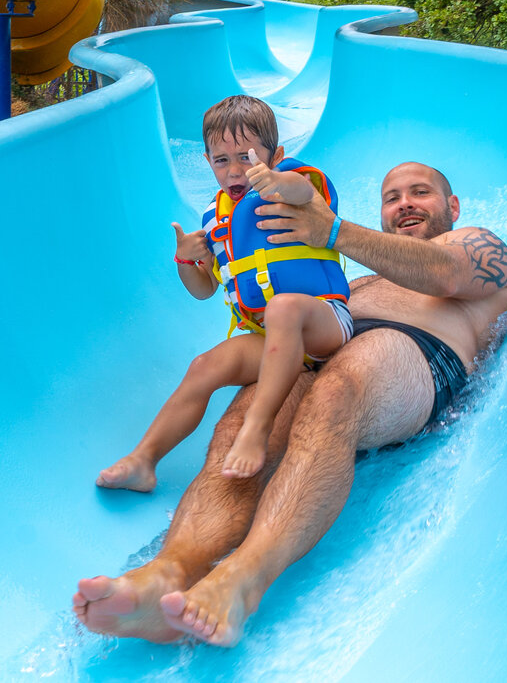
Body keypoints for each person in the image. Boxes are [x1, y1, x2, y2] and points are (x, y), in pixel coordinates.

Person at [74, 161, 507, 647]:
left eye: (420, 193)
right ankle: (169, 571)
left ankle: (241, 580)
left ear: (452, 206)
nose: (405, 203)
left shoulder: (479, 244)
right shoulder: (364, 281)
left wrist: (333, 230)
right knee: (247, 415)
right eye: (392, 197)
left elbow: (446, 275)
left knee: (337, 390)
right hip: (326, 349)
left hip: (415, 352)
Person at [97, 95, 353, 489]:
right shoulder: (215, 220)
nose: (235, 171)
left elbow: (303, 191)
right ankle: (142, 461)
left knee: (284, 307)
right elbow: (204, 290)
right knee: (203, 367)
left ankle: (256, 427)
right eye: (222, 160)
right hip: (268, 340)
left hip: (321, 322)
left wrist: (276, 179)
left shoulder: (293, 183)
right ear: (207, 161)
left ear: (277, 154)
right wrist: (186, 262)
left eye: (247, 158)